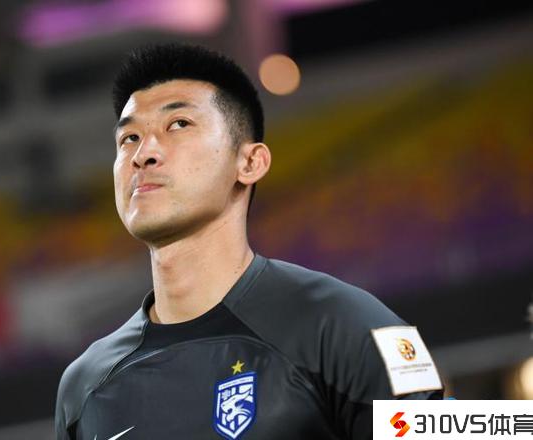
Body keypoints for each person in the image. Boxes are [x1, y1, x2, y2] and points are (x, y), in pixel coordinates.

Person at [55, 43, 444, 440]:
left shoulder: (344, 325)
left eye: (178, 124)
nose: (143, 154)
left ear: (250, 162)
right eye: (129, 138)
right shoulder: (84, 387)